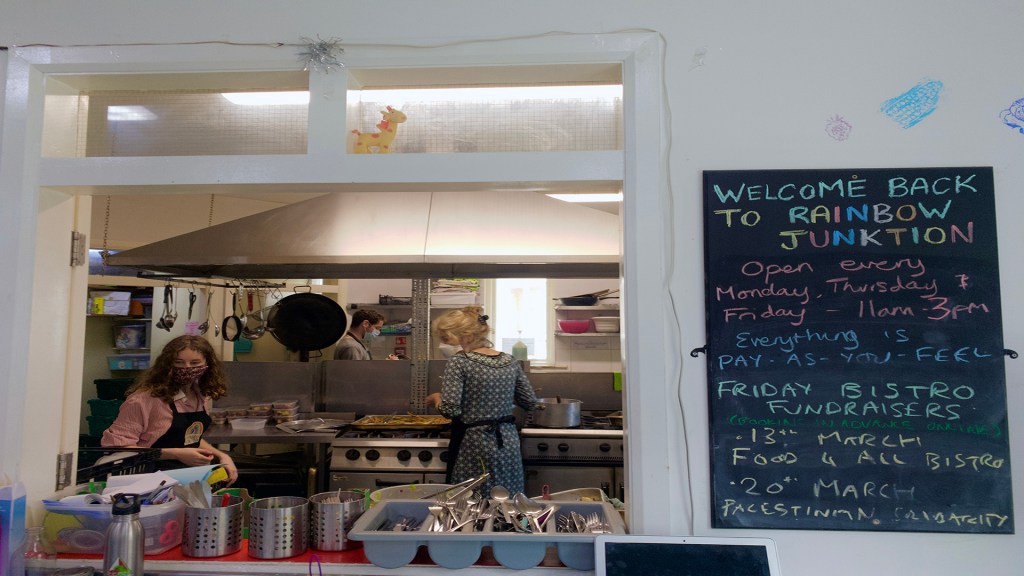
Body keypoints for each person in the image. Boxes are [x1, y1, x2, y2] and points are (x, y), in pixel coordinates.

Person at [425, 306, 540, 497]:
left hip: (474, 443)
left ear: (466, 335)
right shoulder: (510, 360)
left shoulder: (459, 361)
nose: (443, 344)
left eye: (446, 339)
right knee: (507, 500)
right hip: (507, 441)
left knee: (472, 502)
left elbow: (451, 410)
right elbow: (529, 402)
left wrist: (437, 399)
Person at [102, 335, 238, 485]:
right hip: (147, 480)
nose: (187, 368)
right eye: (179, 362)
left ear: (207, 364)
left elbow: (189, 438)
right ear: (167, 364)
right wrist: (175, 454)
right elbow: (118, 448)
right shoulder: (144, 400)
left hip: (184, 478)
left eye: (195, 363)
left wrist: (221, 456)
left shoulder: (199, 395)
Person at [334, 308, 399, 360]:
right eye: (377, 328)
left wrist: (385, 364)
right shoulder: (351, 347)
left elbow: (364, 367)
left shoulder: (356, 344)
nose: (378, 332)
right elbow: (355, 374)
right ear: (365, 324)